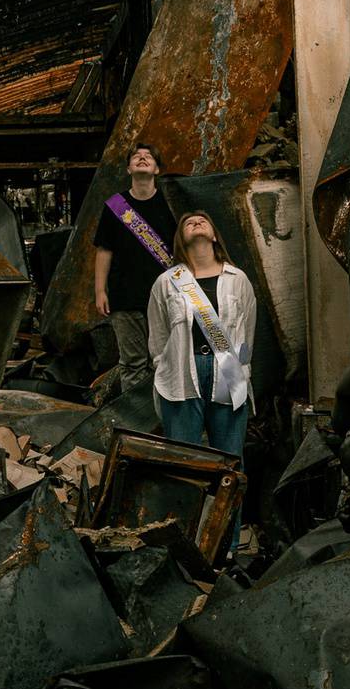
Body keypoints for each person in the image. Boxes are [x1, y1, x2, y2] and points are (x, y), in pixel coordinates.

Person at [147, 209, 258, 475]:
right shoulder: (167, 283)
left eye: (203, 220)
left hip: (229, 371)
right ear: (180, 240)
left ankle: (230, 518)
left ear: (215, 236)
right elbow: (158, 336)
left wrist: (241, 370)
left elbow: (247, 333)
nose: (196, 222)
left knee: (228, 464)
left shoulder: (237, 279)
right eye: (188, 222)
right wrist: (165, 367)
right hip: (181, 374)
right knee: (183, 463)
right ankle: (185, 518)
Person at [92, 141, 178, 391]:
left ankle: (163, 418)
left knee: (166, 361)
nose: (142, 158)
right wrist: (100, 291)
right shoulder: (115, 207)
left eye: (148, 156)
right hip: (124, 296)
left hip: (165, 296)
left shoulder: (169, 204)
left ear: (157, 169)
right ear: (129, 169)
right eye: (136, 156)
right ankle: (135, 423)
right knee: (132, 364)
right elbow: (104, 250)